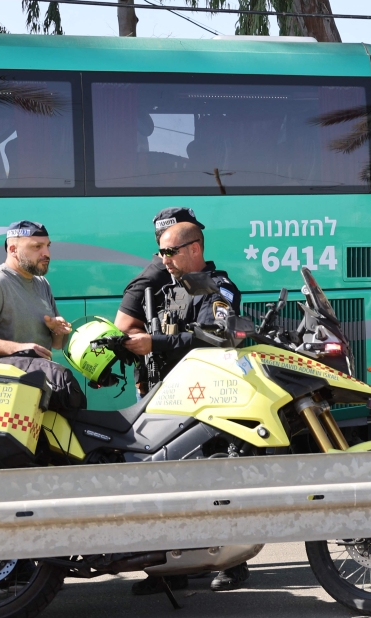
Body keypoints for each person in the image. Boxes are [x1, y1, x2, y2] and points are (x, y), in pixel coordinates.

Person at [121, 220, 248, 595]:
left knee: (214, 482)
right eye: (160, 252)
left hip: (207, 400)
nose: (163, 259)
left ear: (195, 248)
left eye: (169, 252)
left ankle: (233, 563)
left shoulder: (217, 287)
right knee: (166, 485)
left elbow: (215, 335)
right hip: (168, 397)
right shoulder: (169, 289)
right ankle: (171, 569)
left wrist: (156, 343)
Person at [0, 221, 85, 414]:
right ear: (13, 249)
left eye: (47, 246)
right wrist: (19, 349)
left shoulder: (42, 283)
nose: (46, 253)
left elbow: (56, 345)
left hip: (36, 392)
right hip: (3, 399)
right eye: (37, 247)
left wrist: (56, 329)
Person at [115, 207, 205, 394]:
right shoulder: (150, 279)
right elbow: (123, 327)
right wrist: (155, 342)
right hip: (156, 384)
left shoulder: (186, 274)